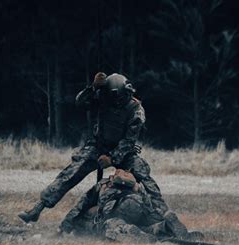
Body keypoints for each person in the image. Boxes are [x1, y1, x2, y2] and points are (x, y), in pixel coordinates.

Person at [18, 72, 182, 234]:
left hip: (124, 152)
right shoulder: (102, 99)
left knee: (142, 173)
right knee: (72, 171)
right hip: (98, 146)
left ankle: (166, 217)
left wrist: (112, 159)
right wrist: (93, 88)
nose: (123, 99)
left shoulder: (136, 109)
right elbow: (79, 103)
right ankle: (38, 208)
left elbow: (129, 141)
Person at [58, 169, 203, 242]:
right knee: (146, 226)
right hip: (141, 206)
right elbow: (154, 202)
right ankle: (163, 227)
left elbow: (79, 207)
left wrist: (63, 229)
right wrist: (161, 214)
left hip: (118, 208)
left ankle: (126, 230)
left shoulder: (103, 184)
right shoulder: (137, 185)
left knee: (109, 226)